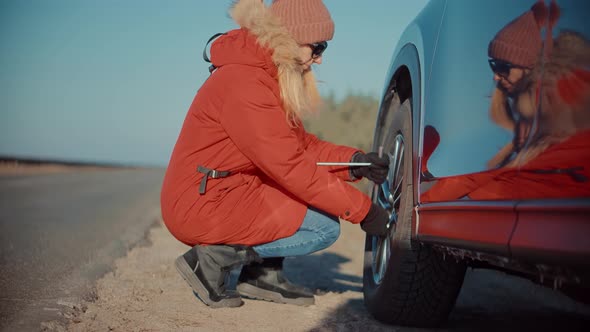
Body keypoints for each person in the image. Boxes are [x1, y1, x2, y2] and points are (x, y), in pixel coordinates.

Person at [160, 0, 391, 309]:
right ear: (289, 39)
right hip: (202, 202)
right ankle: (213, 260)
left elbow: (301, 146)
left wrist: (354, 162)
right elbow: (291, 166)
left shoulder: (265, 75)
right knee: (323, 226)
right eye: (317, 47)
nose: (320, 60)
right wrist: (365, 212)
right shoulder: (245, 83)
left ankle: (260, 275)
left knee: (306, 204)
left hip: (229, 189)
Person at [421, 0, 590, 203]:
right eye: (493, 65)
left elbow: (485, 174)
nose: (495, 76)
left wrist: (426, 202)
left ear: (529, 66)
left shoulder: (553, 98)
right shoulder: (523, 106)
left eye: (504, 67)